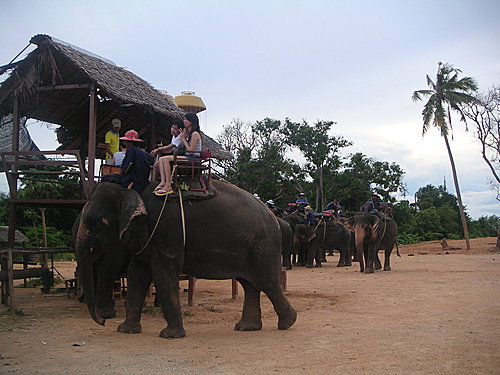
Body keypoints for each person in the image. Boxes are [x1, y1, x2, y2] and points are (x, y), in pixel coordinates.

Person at [154, 113, 202, 196]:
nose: (184, 121)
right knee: (161, 159)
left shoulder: (195, 134)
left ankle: (168, 185)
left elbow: (191, 151)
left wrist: (183, 138)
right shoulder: (188, 133)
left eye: (186, 119)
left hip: (192, 157)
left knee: (165, 159)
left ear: (191, 122)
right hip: (188, 156)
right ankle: (163, 181)